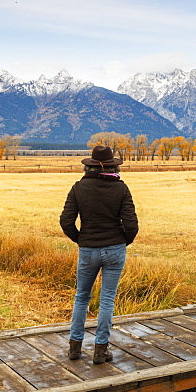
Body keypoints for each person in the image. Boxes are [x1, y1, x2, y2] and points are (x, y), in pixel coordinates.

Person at [60, 145, 138, 364]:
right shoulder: (121, 189)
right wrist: (123, 242)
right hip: (114, 248)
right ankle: (100, 350)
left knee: (81, 297)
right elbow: (131, 224)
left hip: (88, 249)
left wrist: (81, 239)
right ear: (111, 165)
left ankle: (74, 348)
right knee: (107, 299)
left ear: (90, 166)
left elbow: (66, 221)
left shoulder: (78, 188)